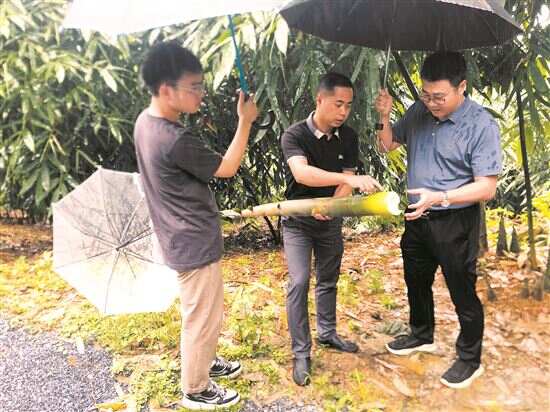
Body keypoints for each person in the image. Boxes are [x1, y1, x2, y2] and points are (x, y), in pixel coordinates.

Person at [134, 41, 258, 409]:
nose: (202, 93)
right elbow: (228, 168)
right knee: (201, 315)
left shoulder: (145, 122)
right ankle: (196, 387)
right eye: (195, 87)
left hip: (177, 233)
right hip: (192, 239)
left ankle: (205, 359)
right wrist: (245, 121)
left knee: (204, 310)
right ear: (166, 90)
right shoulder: (175, 139)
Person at [374, 51, 502, 389]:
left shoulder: (480, 125)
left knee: (462, 289)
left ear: (462, 87)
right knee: (415, 279)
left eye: (439, 97)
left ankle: (469, 359)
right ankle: (421, 334)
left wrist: (441, 196)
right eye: (426, 94)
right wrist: (384, 117)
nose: (431, 103)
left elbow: (487, 187)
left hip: (455, 220)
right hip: (417, 215)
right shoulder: (419, 111)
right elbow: (387, 145)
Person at [281, 72, 382, 386]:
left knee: (328, 279)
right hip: (298, 221)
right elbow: (302, 174)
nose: (343, 112)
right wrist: (347, 180)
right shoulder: (294, 135)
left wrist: (332, 206)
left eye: (348, 106)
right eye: (338, 104)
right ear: (320, 99)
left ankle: (327, 333)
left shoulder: (348, 137)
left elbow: (347, 180)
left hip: (330, 220)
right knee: (299, 282)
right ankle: (301, 353)